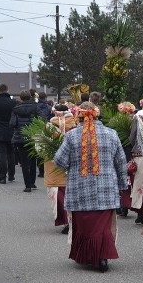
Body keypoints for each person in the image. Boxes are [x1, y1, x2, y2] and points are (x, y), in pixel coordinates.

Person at [52, 102, 127, 272]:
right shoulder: (112, 134)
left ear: (78, 116)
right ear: (98, 115)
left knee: (85, 226)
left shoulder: (71, 136)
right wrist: (122, 186)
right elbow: (121, 162)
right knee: (102, 226)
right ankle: (102, 257)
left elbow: (60, 162)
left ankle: (87, 255)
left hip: (80, 190)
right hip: (106, 189)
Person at [47, 104, 79, 234]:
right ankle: (74, 219)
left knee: (58, 191)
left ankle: (66, 219)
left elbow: (40, 146)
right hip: (73, 159)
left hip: (54, 161)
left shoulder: (50, 125)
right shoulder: (75, 123)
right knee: (71, 191)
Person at [10, 90, 41, 192]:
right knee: (33, 160)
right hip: (33, 136)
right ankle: (32, 182)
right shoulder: (35, 107)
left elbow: (12, 123)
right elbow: (43, 119)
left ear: (21, 98)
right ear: (29, 97)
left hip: (20, 137)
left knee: (24, 161)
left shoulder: (16, 109)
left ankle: (27, 185)